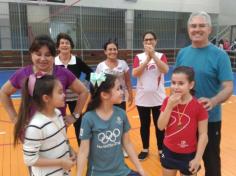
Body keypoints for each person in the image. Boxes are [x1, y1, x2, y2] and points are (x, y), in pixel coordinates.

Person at [175, 11, 233, 176]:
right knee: (186, 163)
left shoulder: (220, 55)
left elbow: (228, 87)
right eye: (193, 26)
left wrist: (213, 101)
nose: (197, 29)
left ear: (210, 29)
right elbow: (177, 83)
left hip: (210, 120)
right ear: (188, 29)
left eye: (202, 25)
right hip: (185, 119)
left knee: (212, 161)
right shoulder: (182, 53)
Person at [0, 34, 88, 127]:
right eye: (38, 54)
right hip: (31, 131)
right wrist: (14, 118)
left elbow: (83, 91)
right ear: (31, 54)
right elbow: (4, 92)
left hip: (57, 130)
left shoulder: (63, 73)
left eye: (48, 55)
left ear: (54, 56)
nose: (42, 59)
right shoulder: (23, 74)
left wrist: (75, 115)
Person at [77, 73, 146, 176]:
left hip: (122, 172)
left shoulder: (121, 114)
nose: (122, 92)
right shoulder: (88, 118)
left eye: (121, 88)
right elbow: (83, 151)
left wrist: (140, 169)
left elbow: (127, 143)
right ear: (104, 95)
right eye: (118, 89)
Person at [14, 73, 76, 176]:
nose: (64, 95)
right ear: (46, 98)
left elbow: (62, 138)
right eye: (60, 92)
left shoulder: (58, 113)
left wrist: (70, 150)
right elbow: (30, 160)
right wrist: (61, 162)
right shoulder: (36, 126)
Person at [158, 66, 208, 176]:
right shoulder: (167, 101)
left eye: (181, 83)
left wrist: (197, 159)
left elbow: (203, 134)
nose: (176, 87)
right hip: (169, 151)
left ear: (191, 85)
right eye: (173, 83)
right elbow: (161, 126)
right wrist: (169, 106)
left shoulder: (198, 106)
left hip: (189, 154)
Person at [132, 31, 169, 160]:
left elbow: (165, 70)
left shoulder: (161, 55)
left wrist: (153, 56)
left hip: (159, 99)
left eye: (151, 39)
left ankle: (161, 150)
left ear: (155, 41)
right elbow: (135, 73)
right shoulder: (139, 57)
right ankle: (145, 148)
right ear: (143, 42)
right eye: (146, 40)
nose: (148, 42)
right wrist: (147, 59)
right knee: (144, 125)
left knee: (160, 126)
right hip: (142, 99)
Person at [55, 32, 93, 146]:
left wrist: (83, 85)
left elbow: (90, 73)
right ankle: (61, 148)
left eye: (67, 43)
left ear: (71, 46)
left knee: (78, 123)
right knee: (59, 124)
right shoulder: (53, 62)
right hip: (58, 99)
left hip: (76, 98)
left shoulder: (77, 60)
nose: (65, 45)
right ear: (58, 47)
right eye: (62, 43)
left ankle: (82, 148)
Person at [96, 40, 133, 110]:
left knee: (120, 119)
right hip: (105, 99)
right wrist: (94, 98)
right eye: (110, 49)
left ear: (117, 51)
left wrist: (131, 94)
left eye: (114, 49)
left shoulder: (123, 63)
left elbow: (128, 81)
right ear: (105, 52)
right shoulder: (100, 66)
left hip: (120, 98)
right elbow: (95, 84)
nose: (112, 51)